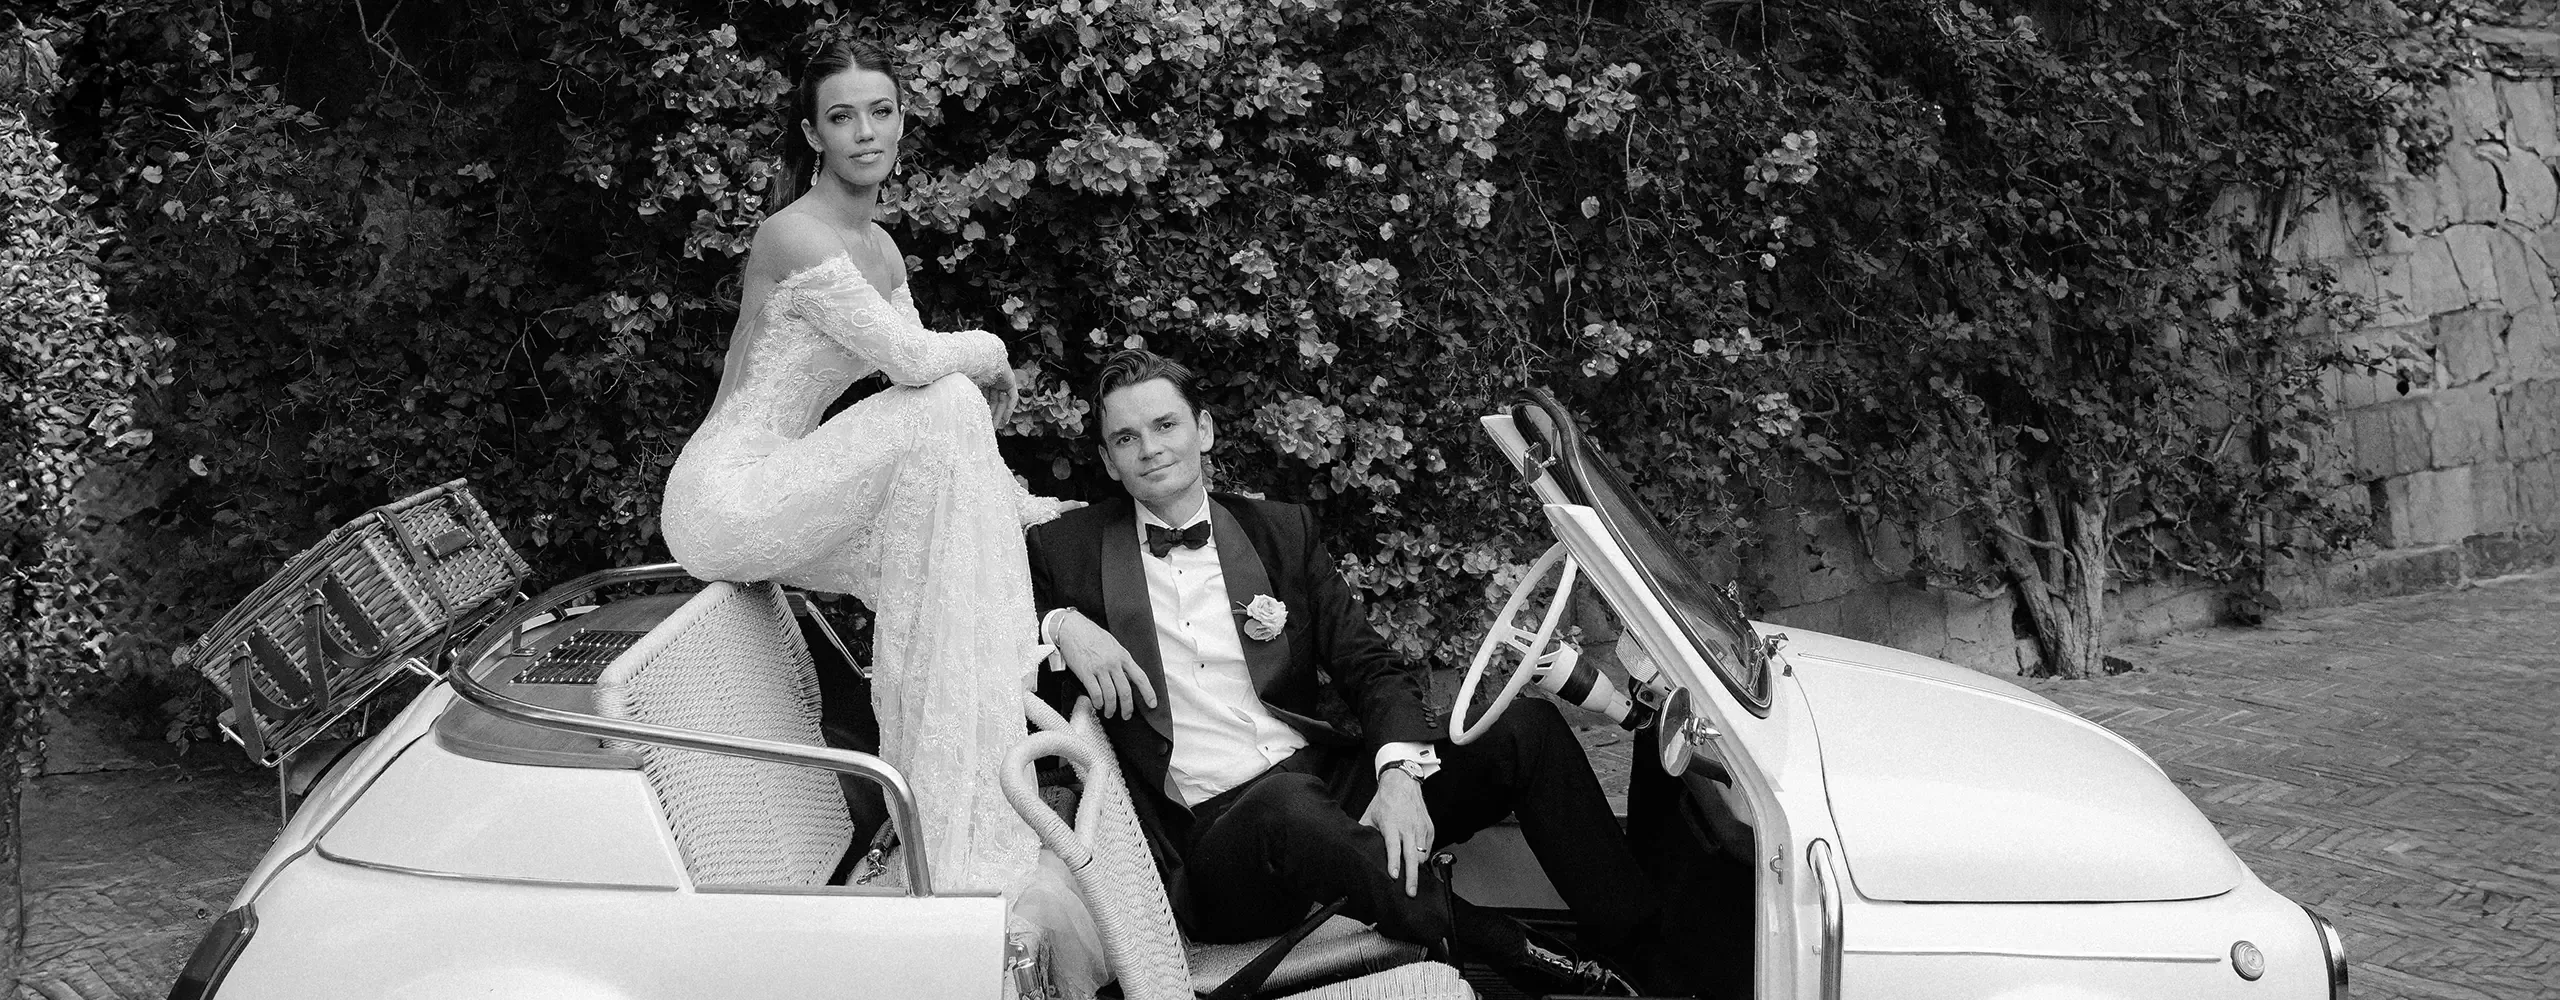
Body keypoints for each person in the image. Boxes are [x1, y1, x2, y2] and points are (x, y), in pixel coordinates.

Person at [1025, 350, 1664, 997]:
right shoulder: (1067, 548)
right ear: (1108, 460)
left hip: (1325, 783)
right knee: (1285, 807)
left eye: (1166, 426)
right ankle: (1519, 952)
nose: (1150, 449)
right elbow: (979, 620)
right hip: (1217, 845)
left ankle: (1647, 960)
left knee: (1525, 729)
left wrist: (1399, 774)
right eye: (1126, 437)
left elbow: (1368, 665)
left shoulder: (1281, 531)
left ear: (1205, 430)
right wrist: (1060, 627)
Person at [658, 39, 1057, 897]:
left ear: (902, 123)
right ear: (813, 133)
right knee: (947, 398)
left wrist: (1012, 503)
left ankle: (949, 824)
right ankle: (941, 831)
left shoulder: (881, 251)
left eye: (879, 111)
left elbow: (928, 401)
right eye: (841, 116)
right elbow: (918, 364)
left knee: (940, 546)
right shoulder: (792, 234)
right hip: (726, 494)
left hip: (787, 484)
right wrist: (994, 351)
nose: (864, 132)